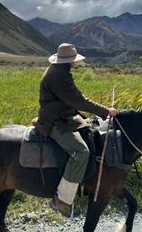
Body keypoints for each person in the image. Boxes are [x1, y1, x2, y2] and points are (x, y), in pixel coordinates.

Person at [35, 43, 118, 218]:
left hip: (63, 117)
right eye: (73, 59)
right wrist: (105, 111)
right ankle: (62, 200)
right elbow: (78, 101)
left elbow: (75, 100)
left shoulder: (59, 71)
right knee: (81, 152)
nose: (75, 62)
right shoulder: (59, 75)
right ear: (69, 60)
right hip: (54, 121)